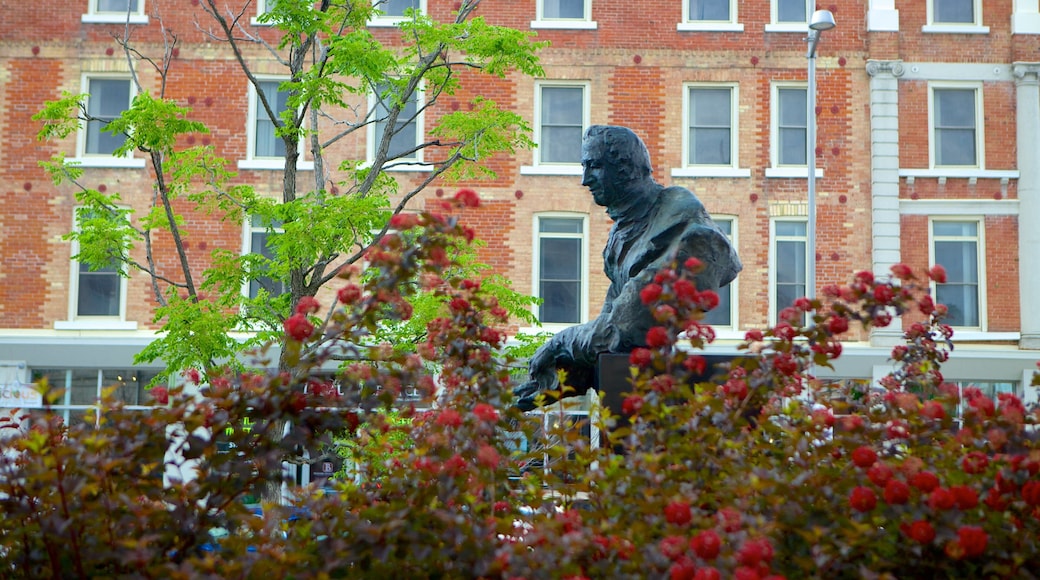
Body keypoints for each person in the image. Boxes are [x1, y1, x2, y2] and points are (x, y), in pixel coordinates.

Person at [514, 125, 742, 411]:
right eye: (584, 167)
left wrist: (558, 344)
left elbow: (623, 330)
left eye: (595, 167)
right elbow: (608, 339)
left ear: (626, 168)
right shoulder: (621, 236)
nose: (585, 180)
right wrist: (553, 382)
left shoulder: (686, 231)